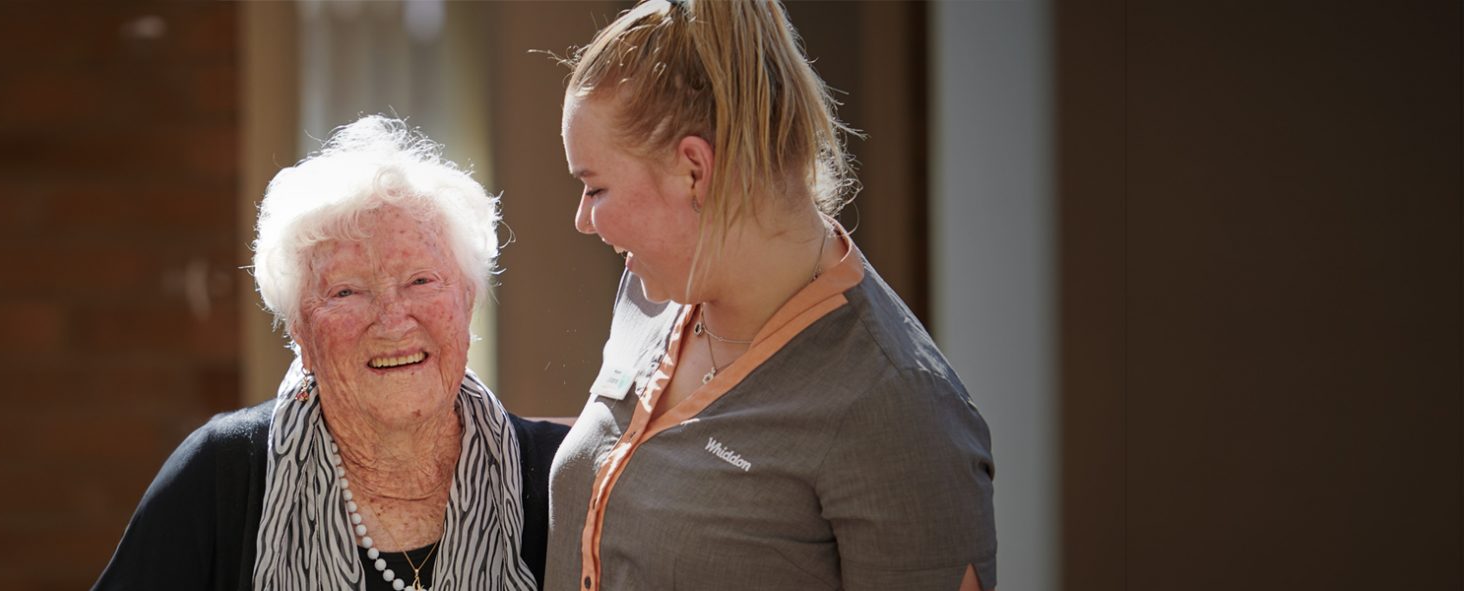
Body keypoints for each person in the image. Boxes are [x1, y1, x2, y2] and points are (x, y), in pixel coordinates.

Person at [543, 1, 997, 590]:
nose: (582, 219)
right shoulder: (652, 290)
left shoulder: (898, 407)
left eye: (595, 187)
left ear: (693, 170)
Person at [93, 115, 568, 591]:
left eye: (421, 281)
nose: (392, 319)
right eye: (346, 292)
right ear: (299, 328)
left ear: (468, 300)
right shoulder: (221, 477)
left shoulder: (560, 479)